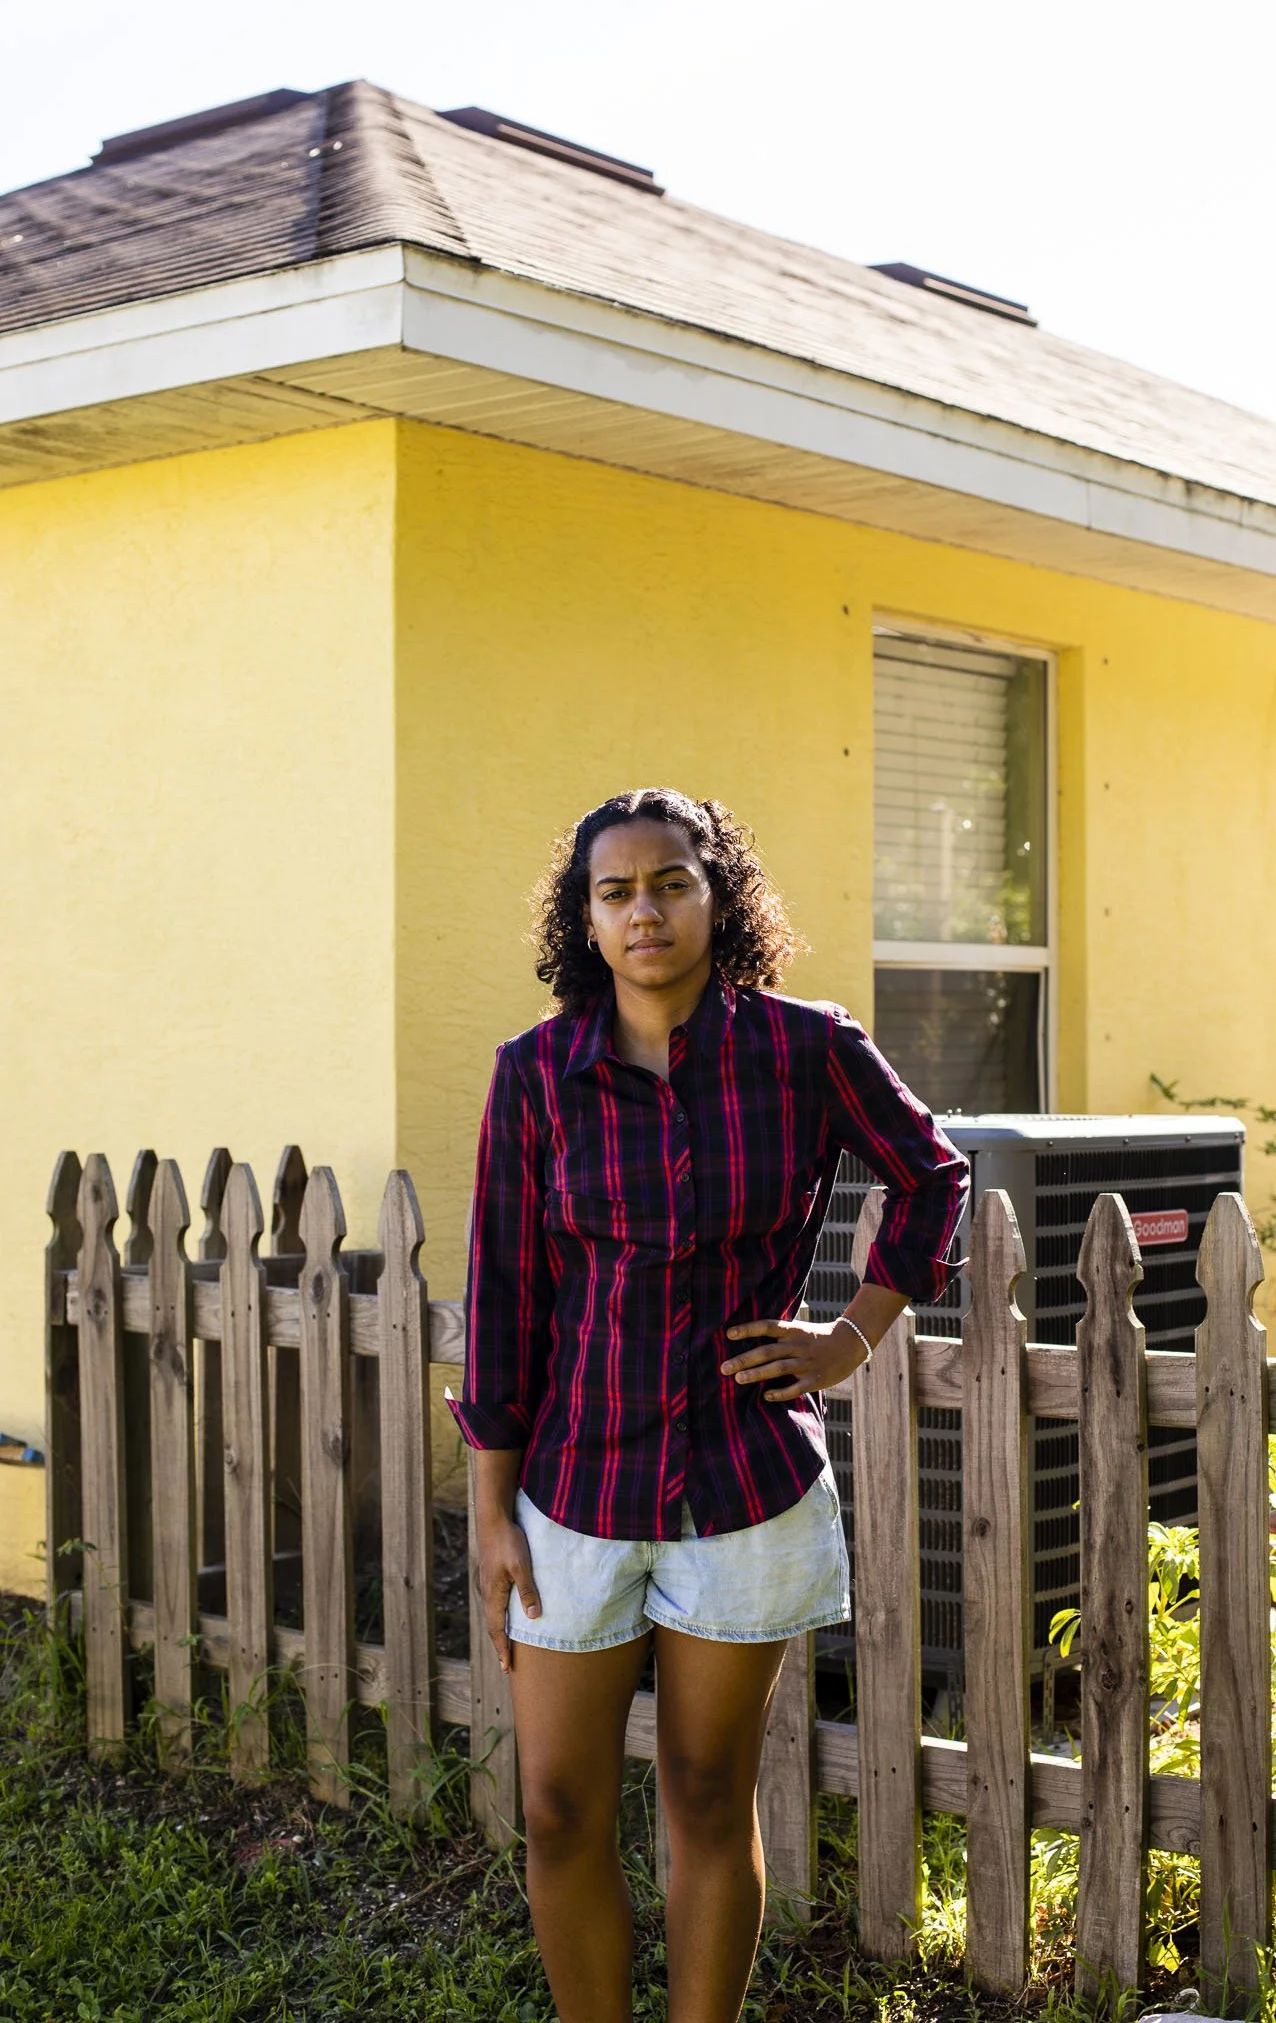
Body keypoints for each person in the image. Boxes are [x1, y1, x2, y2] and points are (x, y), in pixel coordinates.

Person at [450, 787, 968, 2023]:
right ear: (585, 918)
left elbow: (930, 1175)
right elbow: (504, 1294)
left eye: (672, 881)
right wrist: (490, 1508)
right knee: (560, 1802)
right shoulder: (536, 1074)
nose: (646, 911)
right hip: (574, 1486)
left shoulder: (805, 1048)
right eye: (616, 891)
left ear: (716, 893)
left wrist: (848, 1334)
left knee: (702, 1786)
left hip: (745, 1484)